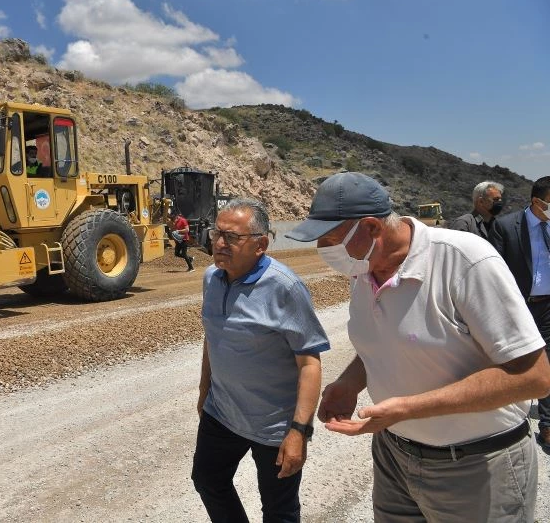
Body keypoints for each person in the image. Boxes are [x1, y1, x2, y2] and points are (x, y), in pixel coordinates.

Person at [285, 172, 550, 522]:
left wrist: (408, 408)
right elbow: (387, 339)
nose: (322, 251)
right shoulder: (365, 270)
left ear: (370, 228)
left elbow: (534, 377)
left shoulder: (465, 261)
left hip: (478, 468)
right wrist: (351, 383)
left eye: (329, 239)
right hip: (395, 456)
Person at [192, 197, 329, 522]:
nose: (220, 243)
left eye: (232, 237)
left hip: (275, 427)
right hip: (221, 413)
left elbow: (310, 363)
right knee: (208, 480)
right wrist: (203, 391)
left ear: (261, 244)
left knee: (279, 511)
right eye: (217, 234)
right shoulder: (212, 278)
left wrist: (299, 431)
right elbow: (212, 336)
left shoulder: (285, 287)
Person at [490, 176, 550, 454]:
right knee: (513, 360)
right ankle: (506, 415)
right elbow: (495, 271)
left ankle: (548, 425)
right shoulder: (506, 226)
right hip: (518, 306)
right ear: (537, 201)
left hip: (548, 305)